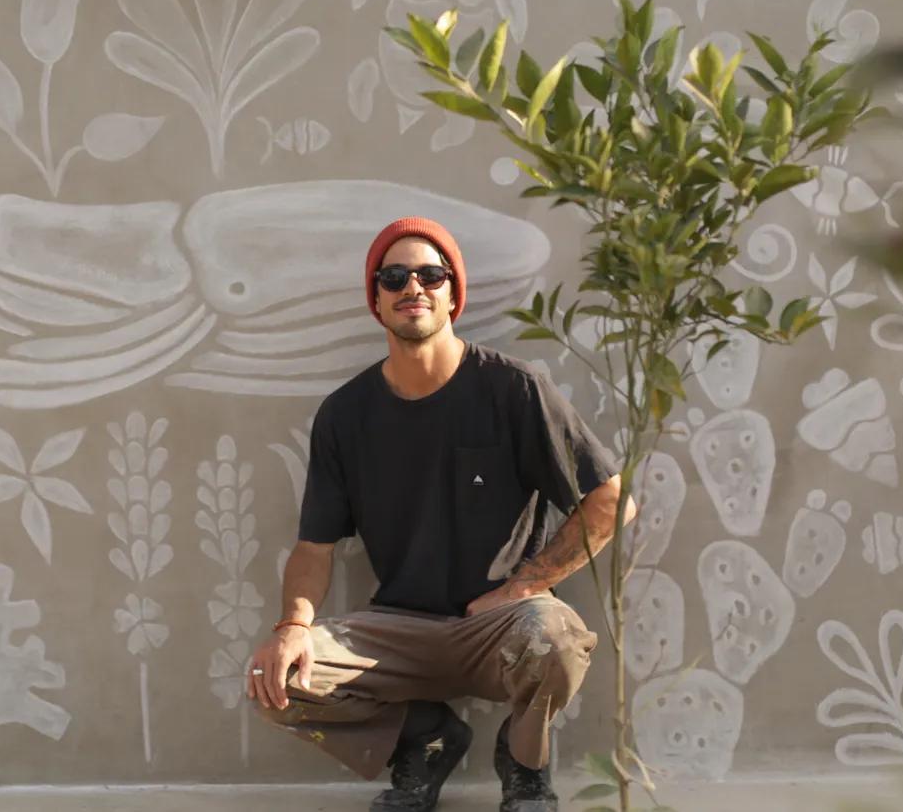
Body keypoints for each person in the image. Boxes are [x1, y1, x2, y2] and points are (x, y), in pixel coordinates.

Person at [246, 217, 633, 812]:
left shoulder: (513, 389)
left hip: (501, 625)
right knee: (275, 681)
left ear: (454, 294)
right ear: (376, 299)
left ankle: (525, 764)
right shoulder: (345, 415)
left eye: (431, 274)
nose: (413, 287)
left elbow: (610, 500)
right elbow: (314, 547)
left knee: (556, 640)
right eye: (394, 277)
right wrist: (293, 627)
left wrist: (525, 586)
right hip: (399, 629)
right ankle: (426, 740)